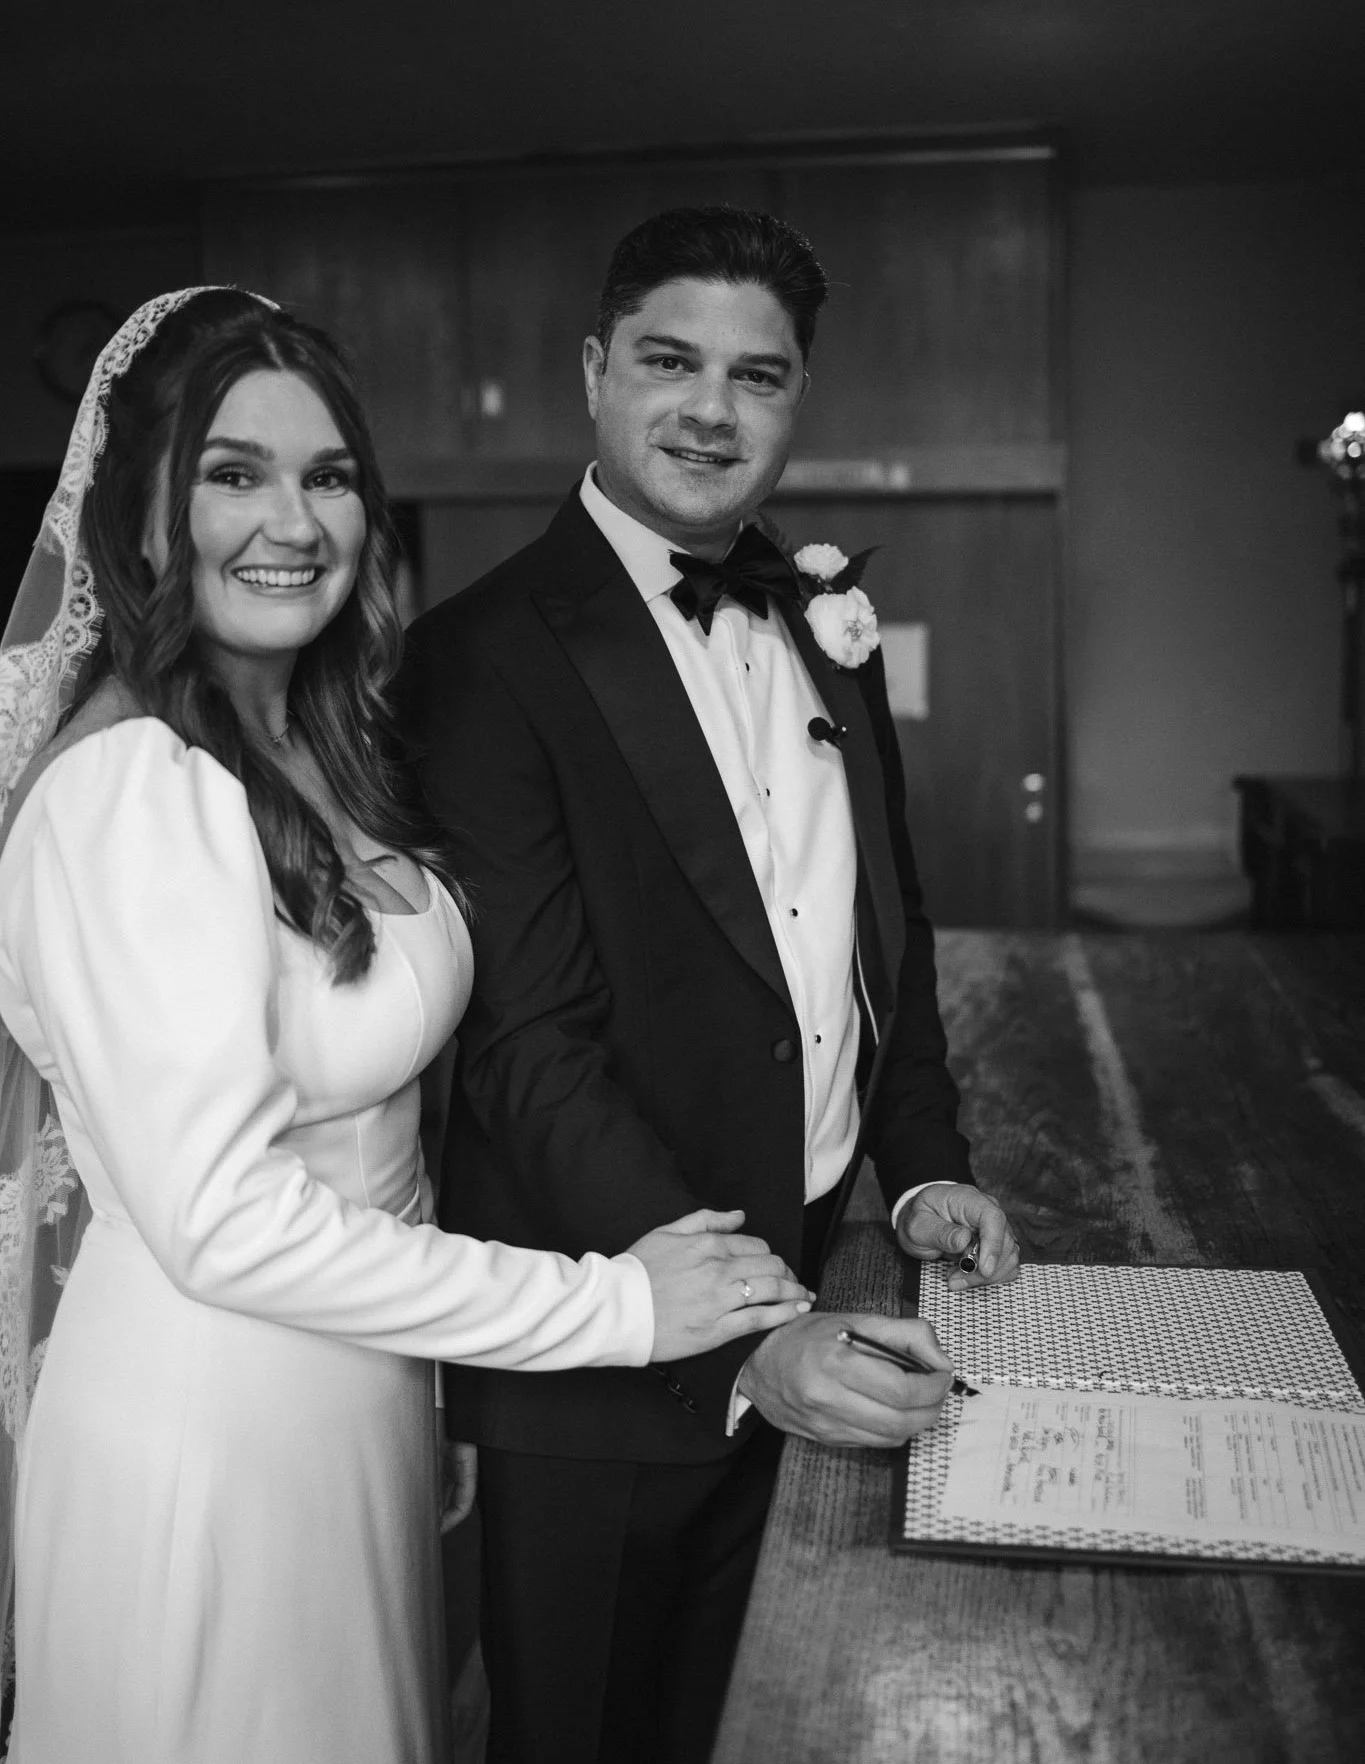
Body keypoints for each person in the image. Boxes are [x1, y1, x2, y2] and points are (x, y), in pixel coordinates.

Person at [0, 286, 815, 1764]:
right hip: (211, 1426)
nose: (292, 520)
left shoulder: (328, 748)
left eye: (328, 477)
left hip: (357, 1397)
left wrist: (430, 1392)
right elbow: (224, 1222)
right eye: (233, 473)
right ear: (143, 514)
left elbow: (390, 1132)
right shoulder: (132, 793)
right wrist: (614, 1309)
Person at [401, 205, 1022, 1764]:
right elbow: (525, 1047)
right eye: (671, 362)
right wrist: (746, 1333)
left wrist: (925, 1160)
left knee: (739, 1730)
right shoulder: (480, 658)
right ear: (596, 373)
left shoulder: (828, 625)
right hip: (610, 1349)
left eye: (759, 375)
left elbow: (885, 927)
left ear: (796, 399)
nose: (711, 408)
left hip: (819, 1278)